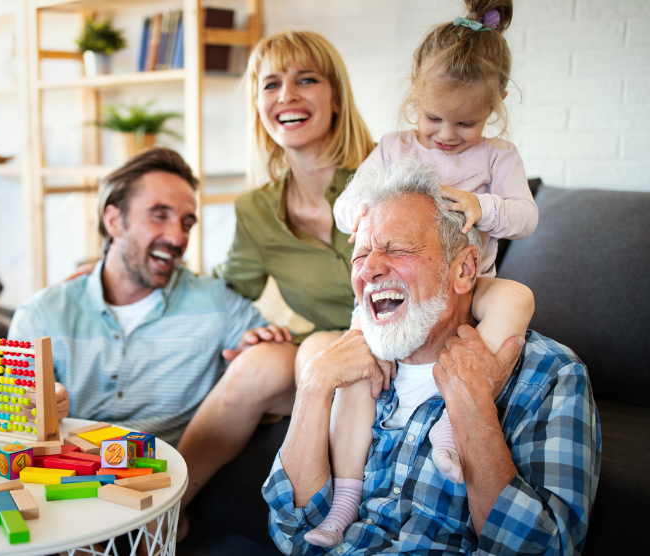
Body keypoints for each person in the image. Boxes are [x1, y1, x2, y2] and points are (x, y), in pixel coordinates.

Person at [264, 158, 600, 555]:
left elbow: (543, 549)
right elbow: (291, 529)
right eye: (360, 255)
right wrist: (314, 385)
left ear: (465, 269)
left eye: (397, 248)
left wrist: (472, 407)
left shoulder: (551, 376)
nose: (368, 270)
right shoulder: (347, 367)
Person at [306, 0, 539, 545]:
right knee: (359, 378)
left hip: (467, 285)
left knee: (517, 298)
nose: (447, 135)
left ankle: (452, 420)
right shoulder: (392, 149)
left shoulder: (498, 157)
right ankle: (342, 505)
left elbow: (526, 217)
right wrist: (362, 212)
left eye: (467, 122)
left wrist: (485, 208)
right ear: (415, 98)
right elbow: (343, 210)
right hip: (395, 294)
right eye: (433, 118)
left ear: (497, 105)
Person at [175, 29, 376, 522]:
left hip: (396, 343)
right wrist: (120, 267)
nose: (286, 95)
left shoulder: (386, 175)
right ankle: (164, 512)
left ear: (334, 99)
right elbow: (223, 287)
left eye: (305, 79)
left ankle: (324, 520)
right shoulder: (257, 210)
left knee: (316, 353)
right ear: (259, 105)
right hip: (322, 347)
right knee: (258, 362)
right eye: (271, 84)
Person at [8, 148, 284, 445]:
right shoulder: (39, 315)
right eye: (159, 216)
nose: (178, 238)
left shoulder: (218, 304)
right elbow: (13, 419)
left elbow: (283, 375)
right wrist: (35, 406)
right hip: (67, 481)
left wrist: (253, 353)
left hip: (176, 481)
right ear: (113, 220)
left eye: (186, 223)